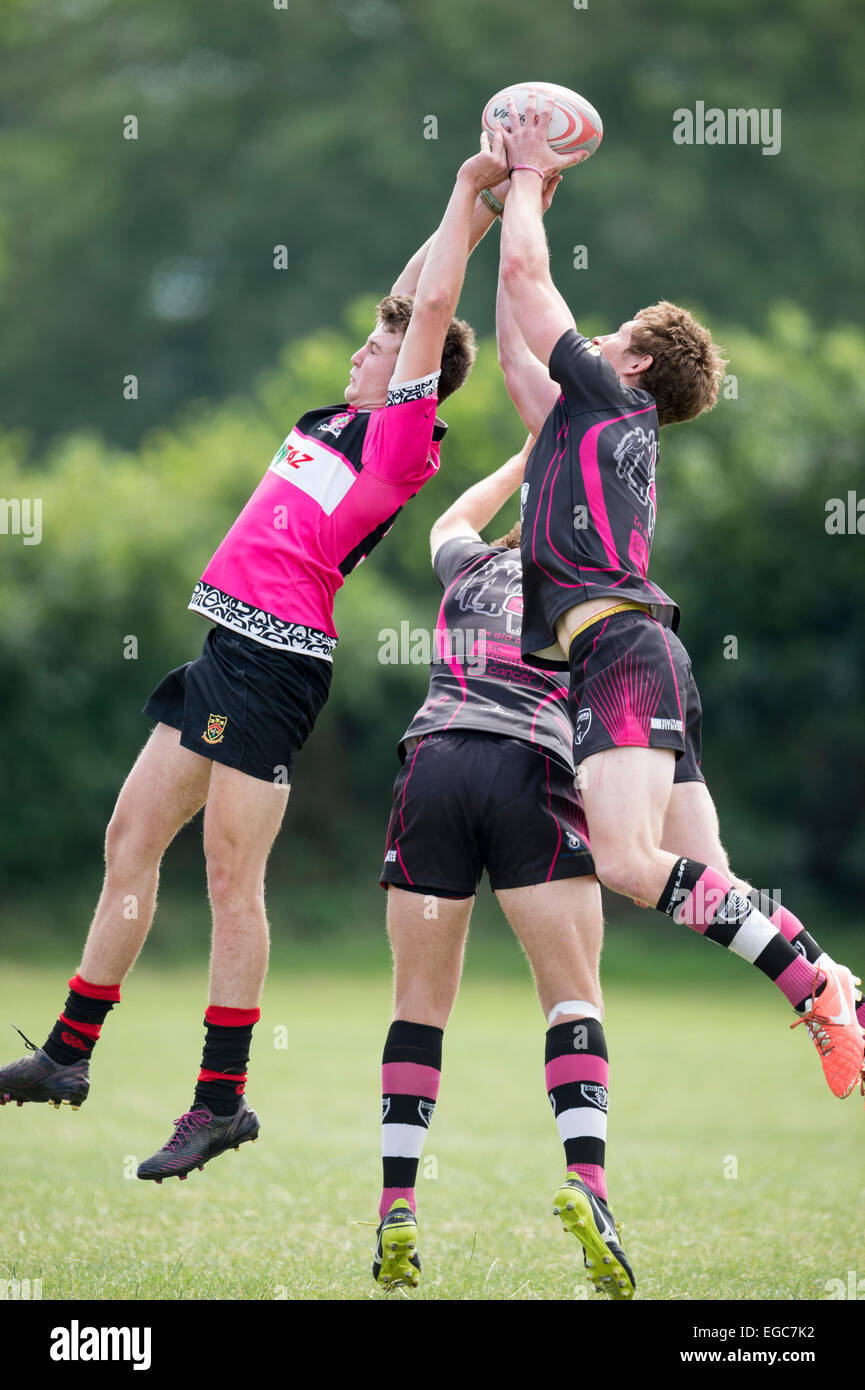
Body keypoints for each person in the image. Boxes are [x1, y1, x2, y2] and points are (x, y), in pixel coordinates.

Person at [0, 132, 512, 1185]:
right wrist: (472, 206)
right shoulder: (338, 414)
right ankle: (67, 1054)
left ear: (416, 376)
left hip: (277, 665)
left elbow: (424, 315)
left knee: (232, 877)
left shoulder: (401, 442)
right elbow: (410, 293)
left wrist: (472, 190)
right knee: (129, 838)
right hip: (223, 647)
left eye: (382, 351)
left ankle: (220, 1101)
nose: (363, 350)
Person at [493, 92, 864, 1113]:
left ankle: (821, 987)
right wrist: (500, 211)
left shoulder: (613, 399)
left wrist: (526, 177)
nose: (596, 339)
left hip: (619, 654)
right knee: (707, 875)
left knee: (621, 861)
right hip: (645, 651)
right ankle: (833, 983)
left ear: (637, 363)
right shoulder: (587, 419)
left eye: (609, 333)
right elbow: (516, 337)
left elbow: (534, 286)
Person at [372, 437, 634, 1299]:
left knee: (418, 1004)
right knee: (572, 995)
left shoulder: (471, 565)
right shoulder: (598, 592)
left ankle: (398, 1205)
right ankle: (586, 1183)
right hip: (531, 768)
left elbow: (448, 515)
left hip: (436, 762)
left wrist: (526, 454)